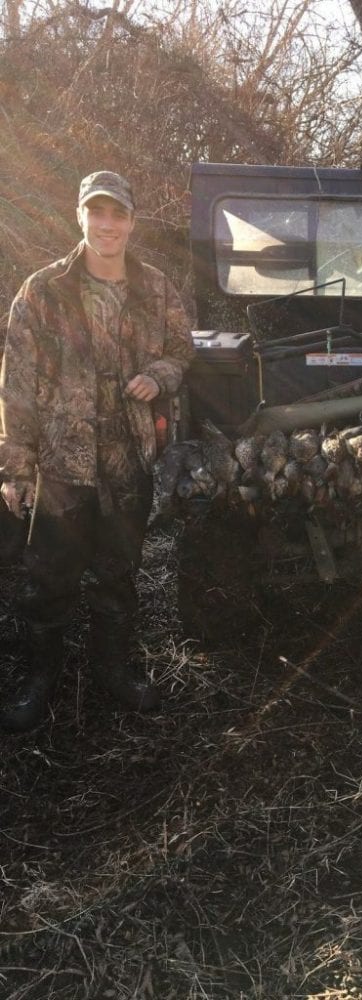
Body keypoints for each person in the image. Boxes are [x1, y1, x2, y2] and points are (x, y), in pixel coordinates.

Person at [0, 170, 195, 732]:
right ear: (80, 216)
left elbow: (182, 349)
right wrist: (16, 467)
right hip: (60, 463)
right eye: (97, 212)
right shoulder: (43, 290)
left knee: (118, 573)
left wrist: (159, 375)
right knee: (48, 578)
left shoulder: (156, 287)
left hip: (128, 461)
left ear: (132, 222)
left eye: (118, 214)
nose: (107, 224)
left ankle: (113, 671)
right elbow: (16, 382)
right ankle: (39, 680)